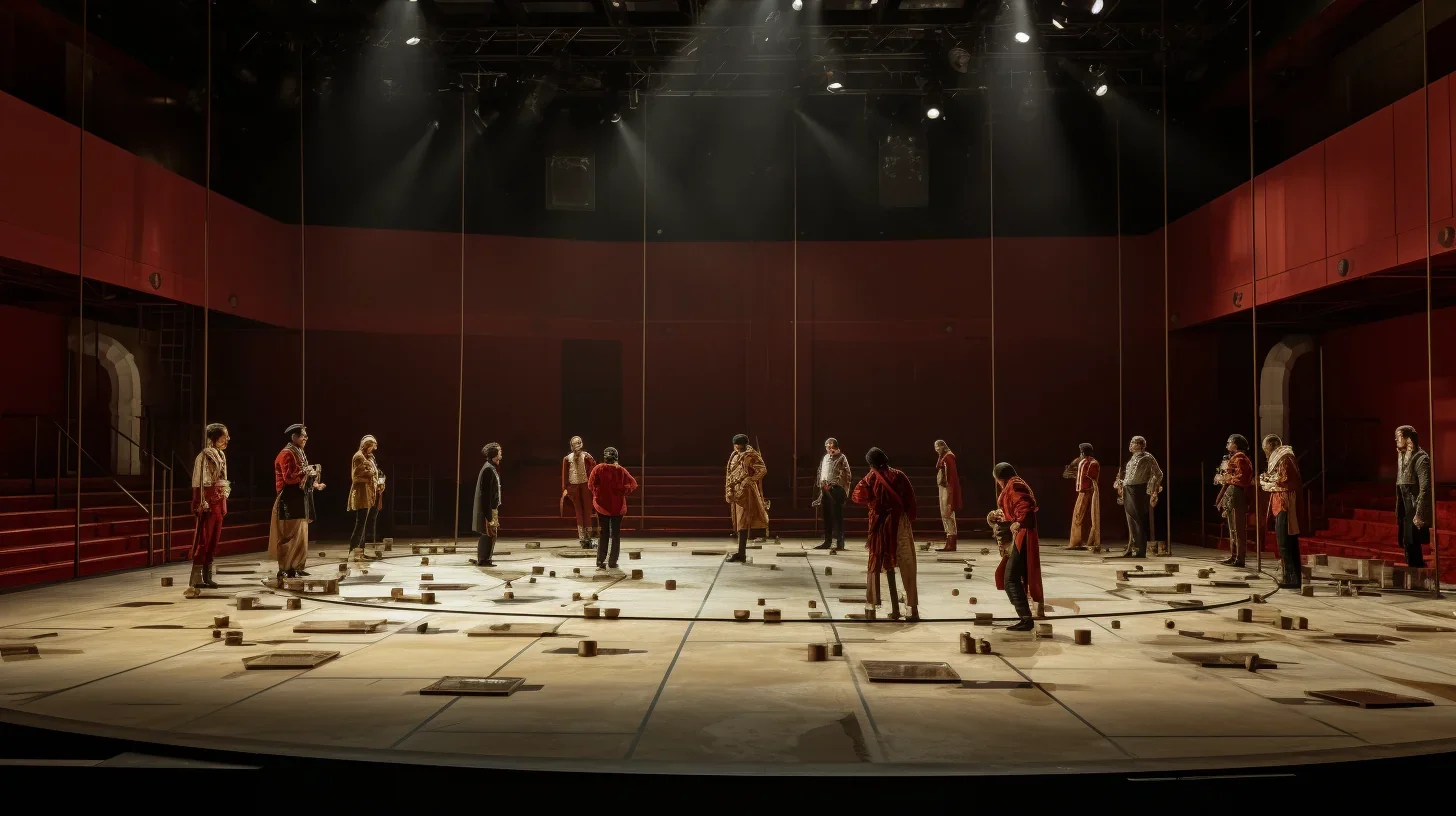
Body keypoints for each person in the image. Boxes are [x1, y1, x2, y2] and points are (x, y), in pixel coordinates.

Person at [851, 447, 919, 621]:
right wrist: (907, 518)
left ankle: (871, 606)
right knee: (907, 561)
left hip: (879, 525)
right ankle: (912, 608)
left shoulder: (870, 477)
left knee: (875, 562)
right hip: (900, 523)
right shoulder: (899, 475)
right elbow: (911, 501)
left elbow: (857, 496)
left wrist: (874, 504)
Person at [989, 462, 1043, 632]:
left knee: (1010, 578)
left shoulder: (1015, 484)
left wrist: (1018, 522)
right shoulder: (1013, 484)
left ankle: (1026, 619)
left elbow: (1026, 505)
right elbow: (1014, 507)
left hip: (1023, 535)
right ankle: (1024, 617)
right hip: (1020, 534)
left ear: (1001, 477)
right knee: (1009, 578)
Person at [269, 424, 324, 580]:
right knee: (288, 535)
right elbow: (289, 478)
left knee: (301, 534)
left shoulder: (300, 452)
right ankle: (284, 568)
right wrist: (306, 471)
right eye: (302, 435)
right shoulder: (286, 454)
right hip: (289, 497)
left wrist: (314, 482)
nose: (305, 438)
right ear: (293, 437)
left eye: (306, 435)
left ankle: (297, 567)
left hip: (300, 497)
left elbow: (302, 475)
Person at [187, 423, 230, 591]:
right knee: (204, 539)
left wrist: (223, 502)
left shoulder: (221, 455)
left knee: (214, 540)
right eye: (224, 435)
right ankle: (196, 577)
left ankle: (208, 575)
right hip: (208, 501)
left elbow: (223, 480)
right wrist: (200, 501)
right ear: (214, 438)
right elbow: (200, 482)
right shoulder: (204, 456)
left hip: (219, 501)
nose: (227, 439)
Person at [1259, 434, 1302, 589]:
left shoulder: (1284, 457)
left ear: (1271, 446)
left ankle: (1292, 578)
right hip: (1281, 503)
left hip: (1285, 504)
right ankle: (1291, 577)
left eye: (1265, 449)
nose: (1265, 453)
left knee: (1286, 543)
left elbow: (1283, 479)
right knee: (1286, 542)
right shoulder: (1282, 458)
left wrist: (1267, 482)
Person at [1112, 435, 1162, 558]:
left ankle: (1140, 550)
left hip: (1139, 489)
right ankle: (1131, 547)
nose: (1130, 445)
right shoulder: (1132, 458)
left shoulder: (1147, 457)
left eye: (1133, 443)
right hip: (1128, 488)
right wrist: (1122, 482)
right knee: (1131, 521)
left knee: (1138, 520)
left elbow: (1158, 474)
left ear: (1140, 445)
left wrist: (1152, 488)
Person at [588, 446, 638, 570]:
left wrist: (598, 493)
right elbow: (633, 484)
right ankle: (612, 561)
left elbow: (590, 485)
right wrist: (622, 492)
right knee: (615, 534)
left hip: (602, 506)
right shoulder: (620, 470)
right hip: (618, 506)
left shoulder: (598, 468)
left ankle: (600, 561)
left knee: (604, 533)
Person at [725, 434, 768, 563]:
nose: (736, 446)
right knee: (738, 521)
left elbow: (762, 470)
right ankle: (740, 552)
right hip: (735, 489)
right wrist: (729, 489)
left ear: (743, 444)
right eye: (735, 444)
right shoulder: (734, 454)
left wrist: (751, 479)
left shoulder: (751, 455)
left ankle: (741, 553)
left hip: (746, 491)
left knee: (743, 521)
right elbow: (729, 473)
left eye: (738, 444)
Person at [1395, 425, 1432, 569]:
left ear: (1407, 438)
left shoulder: (1421, 458)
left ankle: (1418, 574)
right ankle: (1413, 573)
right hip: (1405, 509)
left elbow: (1425, 488)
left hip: (1414, 508)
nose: (1396, 440)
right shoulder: (1402, 457)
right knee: (1406, 542)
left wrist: (1420, 514)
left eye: (1399, 437)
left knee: (1413, 543)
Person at [1214, 434, 1254, 567]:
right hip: (1232, 493)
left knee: (1238, 528)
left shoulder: (1241, 459)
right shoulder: (1233, 458)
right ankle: (1234, 555)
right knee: (1232, 528)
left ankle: (1240, 558)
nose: (1227, 444)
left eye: (1229, 442)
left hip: (1238, 493)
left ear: (1235, 444)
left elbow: (1242, 478)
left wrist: (1226, 479)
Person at [347, 435, 383, 562]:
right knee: (360, 523)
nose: (372, 450)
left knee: (364, 523)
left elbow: (376, 471)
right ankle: (354, 551)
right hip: (361, 493)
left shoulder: (369, 457)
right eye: (371, 447)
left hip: (369, 494)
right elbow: (355, 477)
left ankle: (360, 552)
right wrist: (370, 475)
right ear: (366, 446)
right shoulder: (358, 457)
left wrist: (379, 482)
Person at [813, 438, 851, 551]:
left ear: (836, 447)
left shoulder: (841, 457)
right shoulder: (825, 458)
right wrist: (821, 485)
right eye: (827, 447)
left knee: (837, 516)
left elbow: (846, 474)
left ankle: (840, 542)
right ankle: (827, 541)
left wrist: (835, 485)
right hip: (825, 489)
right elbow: (820, 471)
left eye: (831, 446)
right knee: (827, 516)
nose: (829, 449)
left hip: (836, 490)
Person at [561, 436, 598, 549]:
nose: (577, 444)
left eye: (578, 442)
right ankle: (582, 538)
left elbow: (594, 470)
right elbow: (564, 475)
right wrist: (565, 488)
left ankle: (589, 537)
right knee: (579, 512)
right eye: (574, 443)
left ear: (581, 443)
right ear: (572, 445)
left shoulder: (587, 456)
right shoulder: (567, 458)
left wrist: (593, 486)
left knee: (587, 511)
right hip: (573, 486)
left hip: (585, 485)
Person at [1064, 443, 1101, 551]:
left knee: (1082, 516)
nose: (1082, 453)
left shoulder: (1091, 462)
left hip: (1087, 492)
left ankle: (1082, 541)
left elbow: (1091, 478)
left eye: (1083, 451)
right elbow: (1071, 473)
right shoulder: (1082, 461)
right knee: (1079, 516)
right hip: (1083, 491)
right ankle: (1077, 541)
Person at [472, 443, 503, 568]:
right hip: (489, 508)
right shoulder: (488, 469)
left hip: (492, 507)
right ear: (495, 455)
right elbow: (485, 494)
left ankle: (486, 558)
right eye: (499, 452)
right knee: (489, 533)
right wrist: (488, 515)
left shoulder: (491, 467)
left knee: (491, 533)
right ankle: (483, 559)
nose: (501, 454)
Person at [934, 440, 963, 552]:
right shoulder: (944, 457)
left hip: (947, 488)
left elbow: (950, 476)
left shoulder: (948, 458)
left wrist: (950, 493)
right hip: (944, 487)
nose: (936, 449)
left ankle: (951, 543)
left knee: (948, 513)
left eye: (938, 447)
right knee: (944, 513)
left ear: (943, 446)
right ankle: (949, 540)